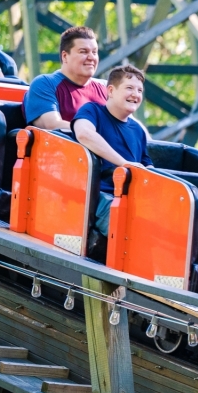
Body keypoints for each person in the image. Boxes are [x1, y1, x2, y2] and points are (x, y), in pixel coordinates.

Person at [71, 65, 153, 237]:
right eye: (129, 88)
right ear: (111, 91)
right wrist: (124, 163)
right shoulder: (93, 111)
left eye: (139, 90)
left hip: (132, 198)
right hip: (100, 195)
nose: (135, 94)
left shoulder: (138, 130)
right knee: (133, 226)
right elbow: (84, 134)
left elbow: (147, 167)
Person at [24, 26, 107, 131]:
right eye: (83, 51)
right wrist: (97, 133)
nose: (91, 57)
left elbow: (128, 126)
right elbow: (51, 125)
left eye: (94, 52)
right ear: (65, 56)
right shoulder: (45, 84)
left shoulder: (106, 87)